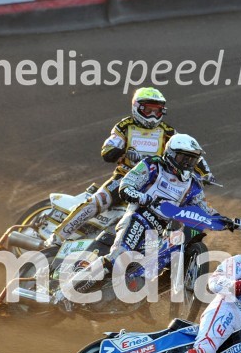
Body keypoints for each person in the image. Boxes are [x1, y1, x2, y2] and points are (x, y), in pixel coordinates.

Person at [67, 133, 237, 297]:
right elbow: (127, 185)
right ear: (170, 154)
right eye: (183, 158)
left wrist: (226, 221)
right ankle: (66, 292)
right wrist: (143, 197)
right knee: (118, 257)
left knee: (159, 265)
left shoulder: (194, 185)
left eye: (191, 159)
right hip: (139, 217)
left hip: (161, 231)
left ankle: (138, 297)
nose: (186, 163)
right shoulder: (152, 165)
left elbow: (204, 208)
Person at [46, 87, 214, 247]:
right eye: (149, 110)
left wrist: (206, 173)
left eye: (157, 110)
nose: (153, 115)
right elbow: (108, 150)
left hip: (155, 181)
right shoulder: (125, 126)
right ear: (137, 108)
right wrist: (122, 152)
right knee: (97, 202)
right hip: (124, 177)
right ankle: (57, 237)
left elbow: (187, 149)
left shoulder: (168, 131)